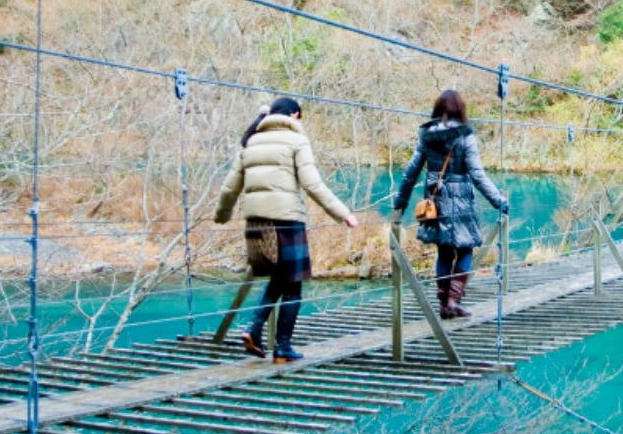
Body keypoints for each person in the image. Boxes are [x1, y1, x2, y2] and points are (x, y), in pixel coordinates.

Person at [214, 96, 358, 362]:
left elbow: (230, 186)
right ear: (294, 115)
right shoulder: (296, 141)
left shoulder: (251, 141)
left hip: (256, 222)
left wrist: (221, 215)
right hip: (286, 222)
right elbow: (313, 185)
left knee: (278, 279)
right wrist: (344, 214)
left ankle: (254, 329)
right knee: (292, 287)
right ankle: (282, 347)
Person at [393, 90, 508, 319]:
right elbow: (477, 174)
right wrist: (499, 201)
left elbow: (410, 173)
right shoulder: (466, 136)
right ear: (460, 109)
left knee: (444, 252)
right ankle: (454, 301)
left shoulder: (427, 136)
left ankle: (444, 304)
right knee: (465, 249)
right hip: (462, 201)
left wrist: (400, 203)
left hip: (437, 202)